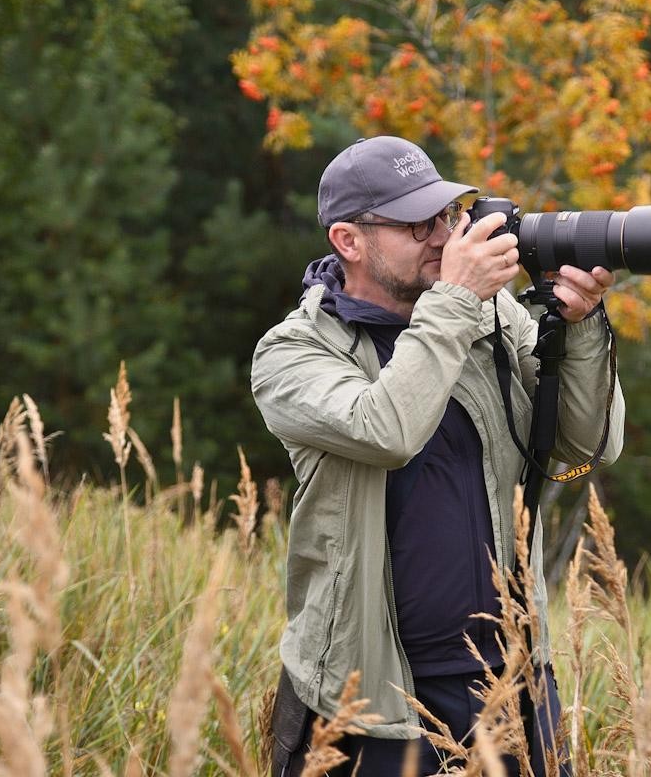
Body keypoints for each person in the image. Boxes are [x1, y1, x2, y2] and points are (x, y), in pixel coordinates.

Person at [251, 135, 625, 776]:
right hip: (367, 695)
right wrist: (455, 302)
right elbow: (386, 430)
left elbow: (590, 446)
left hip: (508, 676)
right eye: (417, 223)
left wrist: (583, 326)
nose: (443, 236)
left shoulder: (492, 315)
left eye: (449, 216)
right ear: (349, 241)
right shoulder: (293, 352)